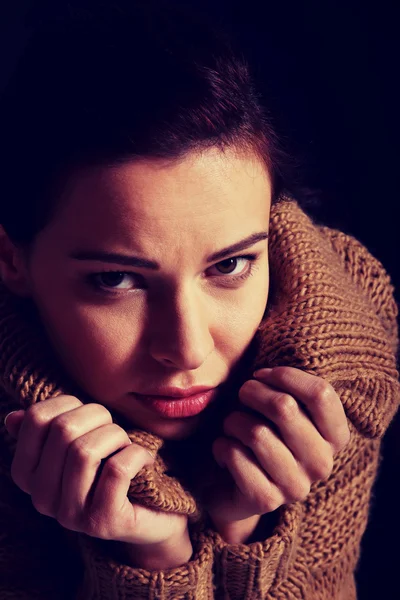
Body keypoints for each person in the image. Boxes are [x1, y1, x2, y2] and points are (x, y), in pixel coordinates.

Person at [0, 2, 398, 598]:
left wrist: (249, 527)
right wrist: (150, 560)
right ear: (11, 261)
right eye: (115, 281)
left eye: (231, 265)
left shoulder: (338, 356)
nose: (186, 349)